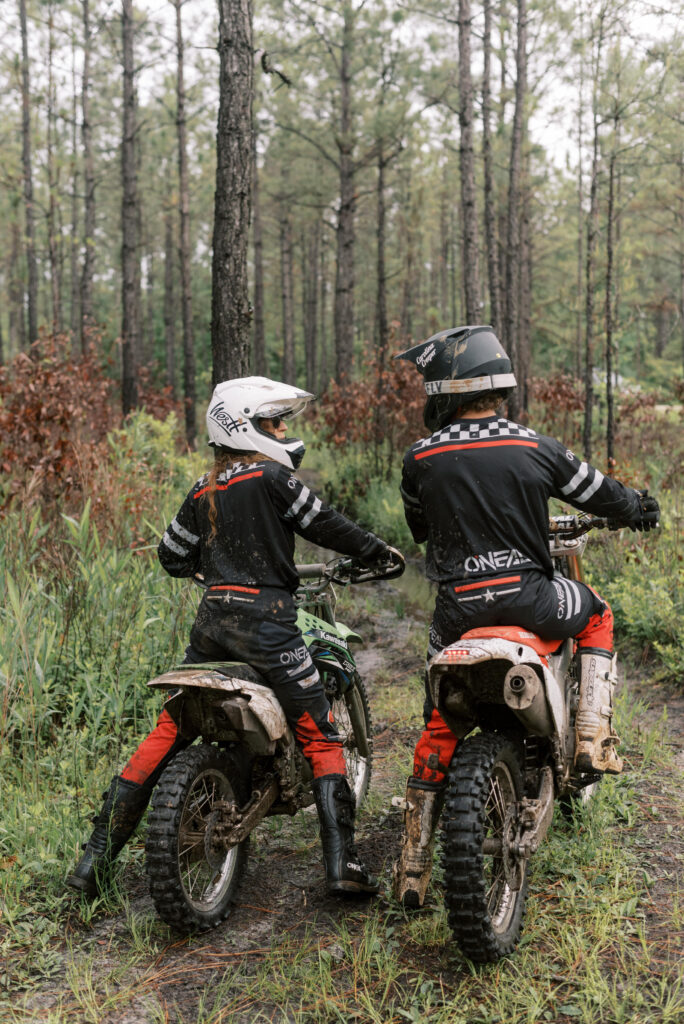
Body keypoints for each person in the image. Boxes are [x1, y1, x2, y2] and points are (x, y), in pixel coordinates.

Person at [68, 376, 395, 900]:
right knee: (320, 730)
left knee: (168, 729)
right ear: (245, 425)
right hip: (269, 623)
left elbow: (171, 556)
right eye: (273, 421)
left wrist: (211, 571)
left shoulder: (203, 489)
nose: (283, 429)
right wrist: (379, 552)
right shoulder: (271, 478)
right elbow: (325, 524)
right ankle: (342, 864)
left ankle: (92, 861)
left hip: (212, 625)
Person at [391, 325, 660, 907]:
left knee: (439, 712)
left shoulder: (419, 458)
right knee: (597, 615)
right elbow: (597, 491)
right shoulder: (534, 446)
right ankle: (591, 737)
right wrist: (636, 509)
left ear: (445, 390)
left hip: (457, 612)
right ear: (499, 384)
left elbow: (420, 528)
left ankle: (411, 865)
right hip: (531, 599)